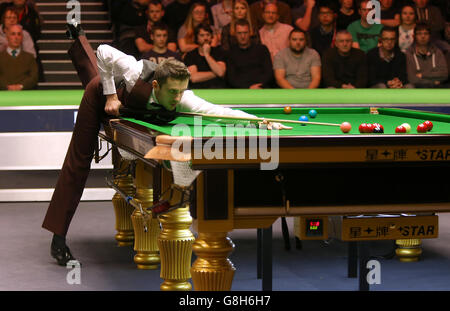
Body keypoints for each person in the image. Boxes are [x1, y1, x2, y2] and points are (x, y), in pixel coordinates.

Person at [42, 24, 290, 266]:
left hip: (130, 105)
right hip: (101, 97)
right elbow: (104, 51)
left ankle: (79, 38)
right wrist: (110, 95)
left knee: (98, 71)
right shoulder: (133, 70)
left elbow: (218, 111)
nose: (179, 98)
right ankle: (58, 238)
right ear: (156, 86)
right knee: (79, 158)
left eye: (182, 92)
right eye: (173, 93)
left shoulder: (182, 96)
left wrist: (259, 121)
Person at [225, 19, 273, 88]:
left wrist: (259, 85)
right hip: (241, 91)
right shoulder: (231, 52)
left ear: (250, 33)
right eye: (239, 33)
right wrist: (248, 87)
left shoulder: (262, 49)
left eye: (245, 33)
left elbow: (269, 72)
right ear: (235, 34)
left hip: (261, 88)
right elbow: (231, 78)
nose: (242, 36)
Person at [405, 22, 448, 88]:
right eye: (419, 34)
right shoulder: (408, 53)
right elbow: (412, 78)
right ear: (414, 36)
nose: (423, 36)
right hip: (418, 88)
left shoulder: (437, 52)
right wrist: (432, 82)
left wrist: (423, 75)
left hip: (437, 88)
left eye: (426, 33)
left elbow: (444, 74)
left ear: (430, 36)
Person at [184, 23, 226, 88]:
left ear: (211, 37)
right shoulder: (190, 55)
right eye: (202, 35)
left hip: (217, 91)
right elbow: (194, 78)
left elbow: (220, 72)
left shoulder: (219, 52)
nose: (205, 38)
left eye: (208, 35)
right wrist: (215, 73)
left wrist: (207, 55)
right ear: (197, 38)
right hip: (198, 92)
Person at [0, 23, 38, 90]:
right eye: (13, 34)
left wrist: (21, 86)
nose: (16, 37)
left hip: (25, 96)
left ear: (22, 37)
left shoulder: (29, 57)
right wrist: (7, 87)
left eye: (19, 34)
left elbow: (34, 77)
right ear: (7, 36)